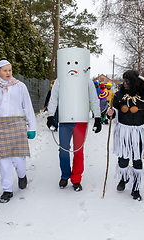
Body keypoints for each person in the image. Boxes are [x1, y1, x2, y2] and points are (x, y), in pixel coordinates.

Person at [46, 47, 102, 192]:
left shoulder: (87, 81)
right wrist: (50, 116)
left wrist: (97, 117)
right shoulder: (59, 81)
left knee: (78, 151)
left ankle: (76, 179)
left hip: (80, 120)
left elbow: (94, 100)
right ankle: (65, 175)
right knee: (63, 150)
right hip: (64, 120)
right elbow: (53, 99)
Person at [0, 60, 37, 203]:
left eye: (10, 70)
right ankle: (7, 190)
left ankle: (22, 175)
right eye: (5, 70)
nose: (8, 73)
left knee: (19, 158)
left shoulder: (20, 87)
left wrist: (32, 127)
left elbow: (28, 107)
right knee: (3, 160)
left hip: (18, 125)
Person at [106, 70, 144, 201]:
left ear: (134, 81)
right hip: (124, 133)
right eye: (124, 80)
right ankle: (124, 178)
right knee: (123, 160)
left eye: (128, 81)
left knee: (137, 160)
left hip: (139, 132)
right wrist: (110, 113)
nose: (125, 83)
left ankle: (136, 188)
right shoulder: (118, 95)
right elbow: (114, 113)